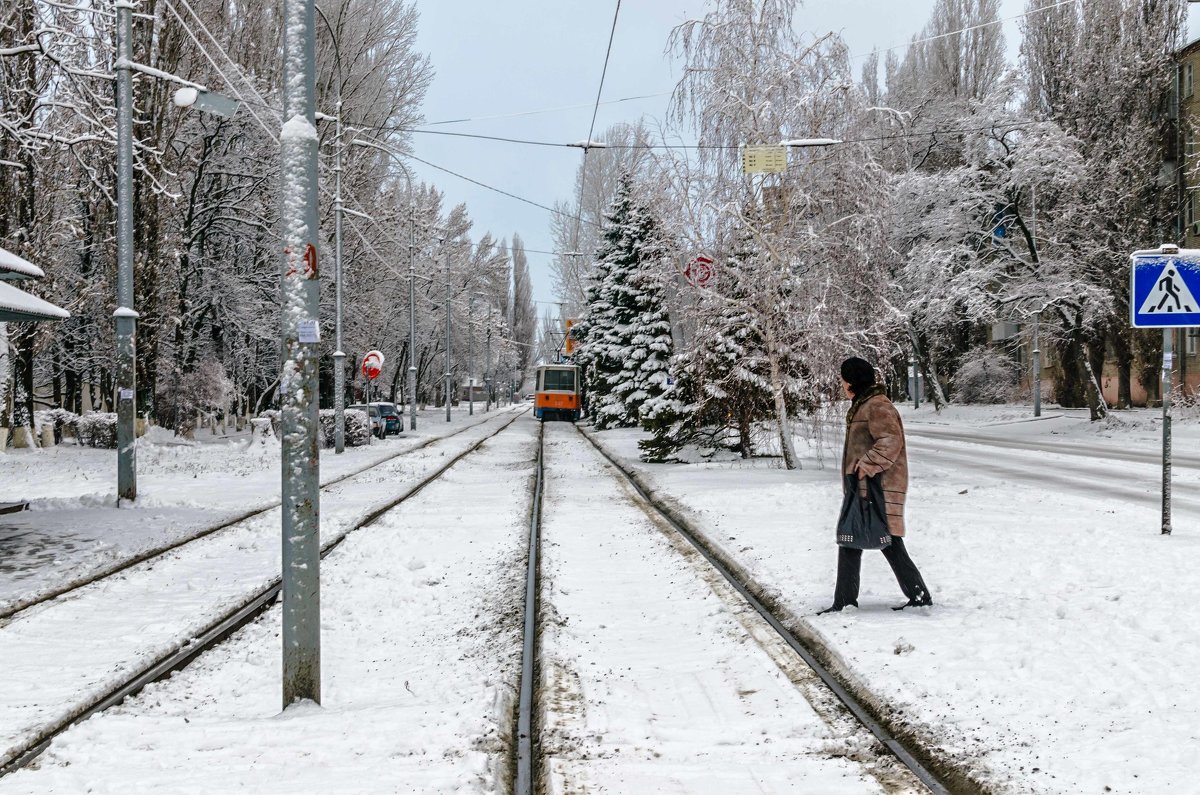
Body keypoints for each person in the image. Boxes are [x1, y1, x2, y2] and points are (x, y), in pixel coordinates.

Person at [818, 357, 932, 613]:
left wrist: (864, 466)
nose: (841, 384)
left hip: (877, 486)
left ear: (851, 381)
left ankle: (917, 595)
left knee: (884, 539)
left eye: (843, 379)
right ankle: (846, 600)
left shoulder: (877, 405)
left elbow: (890, 441)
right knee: (852, 538)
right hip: (865, 485)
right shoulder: (864, 405)